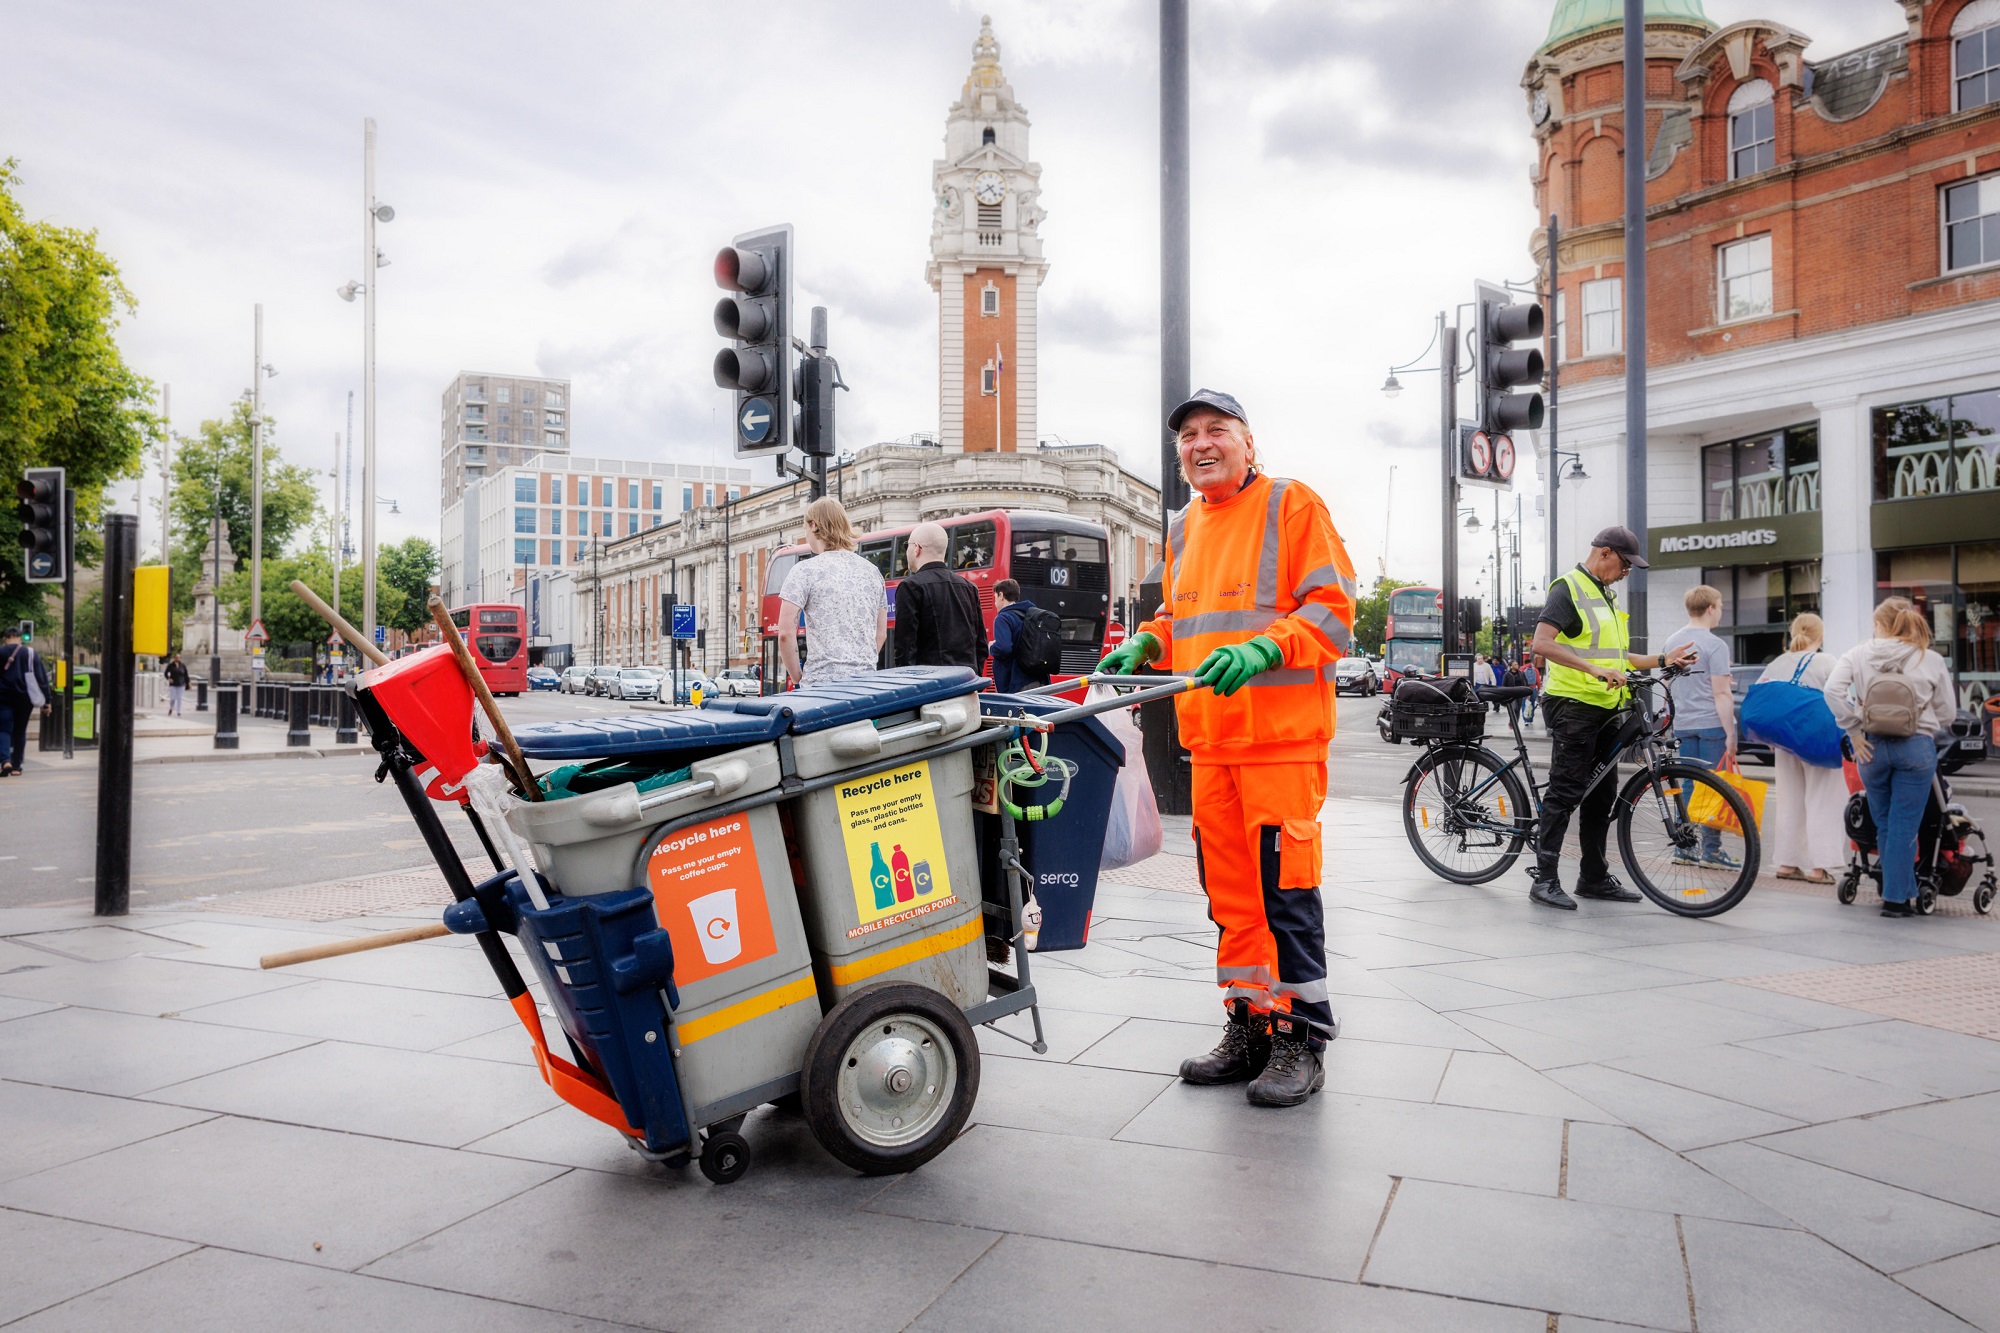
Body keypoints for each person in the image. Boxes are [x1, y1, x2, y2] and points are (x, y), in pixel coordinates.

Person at [1096, 388, 1358, 1108]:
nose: (1201, 443)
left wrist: (1264, 647)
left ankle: (1302, 1037)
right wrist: (1150, 638)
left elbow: (1334, 613)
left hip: (1278, 741)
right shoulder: (1184, 528)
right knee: (1232, 898)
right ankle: (1249, 1023)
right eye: (1188, 436)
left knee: (1286, 894)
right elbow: (1182, 614)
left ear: (1248, 442)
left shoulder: (1289, 504)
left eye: (1217, 430)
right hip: (1210, 744)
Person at [1526, 527, 1700, 910]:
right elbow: (1541, 644)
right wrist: (1592, 670)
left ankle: (1593, 877)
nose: (1626, 572)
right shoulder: (1568, 588)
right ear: (1605, 553)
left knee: (1601, 793)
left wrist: (1663, 660)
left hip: (1606, 704)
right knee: (1567, 789)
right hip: (1572, 702)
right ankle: (1545, 879)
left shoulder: (1605, 594)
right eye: (1625, 564)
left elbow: (1618, 660)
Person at [1825, 598, 1958, 918]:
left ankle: (1893, 890)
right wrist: (1924, 725)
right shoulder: (1930, 658)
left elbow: (1832, 691)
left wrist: (1854, 729)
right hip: (1915, 747)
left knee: (1884, 823)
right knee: (1904, 824)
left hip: (1870, 747)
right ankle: (1897, 899)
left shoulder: (1857, 653)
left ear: (1881, 625)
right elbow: (1948, 713)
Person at [1757, 613, 1847, 884]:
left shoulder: (1778, 663)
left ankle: (1786, 863)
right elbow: (1841, 697)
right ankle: (1820, 868)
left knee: (1789, 801)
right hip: (1821, 741)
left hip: (1785, 743)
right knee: (1824, 801)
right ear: (1820, 636)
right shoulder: (1827, 661)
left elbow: (1764, 700)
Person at [1661, 585, 1739, 868]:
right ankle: (1712, 851)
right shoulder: (1715, 645)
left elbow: (1667, 685)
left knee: (1688, 784)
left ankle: (1684, 847)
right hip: (1711, 724)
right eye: (1719, 607)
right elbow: (1721, 693)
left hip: (1683, 724)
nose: (1720, 612)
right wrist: (1731, 732)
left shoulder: (1672, 641)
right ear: (1710, 608)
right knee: (1714, 787)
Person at [776, 497, 887, 689]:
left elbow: (785, 634)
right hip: (866, 684)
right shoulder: (872, 571)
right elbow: (881, 633)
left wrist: (797, 679)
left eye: (805, 529)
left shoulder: (804, 570)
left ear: (814, 525)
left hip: (822, 686)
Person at [893, 521, 986, 674]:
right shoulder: (969, 587)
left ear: (916, 548)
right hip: (966, 683)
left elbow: (906, 648)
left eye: (906, 546)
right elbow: (981, 644)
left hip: (931, 686)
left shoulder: (910, 587)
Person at [0, 625, 54, 778]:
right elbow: (41, 678)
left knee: (3, 729)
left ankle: (5, 761)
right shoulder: (30, 653)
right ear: (20, 637)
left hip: (3, 697)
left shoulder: (1, 651)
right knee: (20, 730)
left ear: (5, 638)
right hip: (25, 698)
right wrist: (47, 701)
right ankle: (16, 766)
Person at [989, 579, 1056, 694]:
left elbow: (1004, 648)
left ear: (1001, 595)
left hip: (1017, 683)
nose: (995, 603)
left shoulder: (1003, 618)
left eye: (995, 597)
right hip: (1041, 679)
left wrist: (992, 647)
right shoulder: (1030, 614)